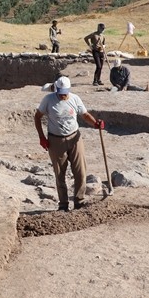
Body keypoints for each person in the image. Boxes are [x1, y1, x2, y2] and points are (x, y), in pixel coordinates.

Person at [34, 76, 103, 212]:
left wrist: (95, 123)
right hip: (56, 141)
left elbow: (84, 115)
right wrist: (42, 137)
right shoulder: (48, 100)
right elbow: (37, 117)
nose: (63, 96)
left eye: (65, 93)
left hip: (74, 138)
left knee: (80, 171)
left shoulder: (75, 99)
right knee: (60, 173)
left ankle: (79, 201)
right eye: (60, 93)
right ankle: (63, 204)